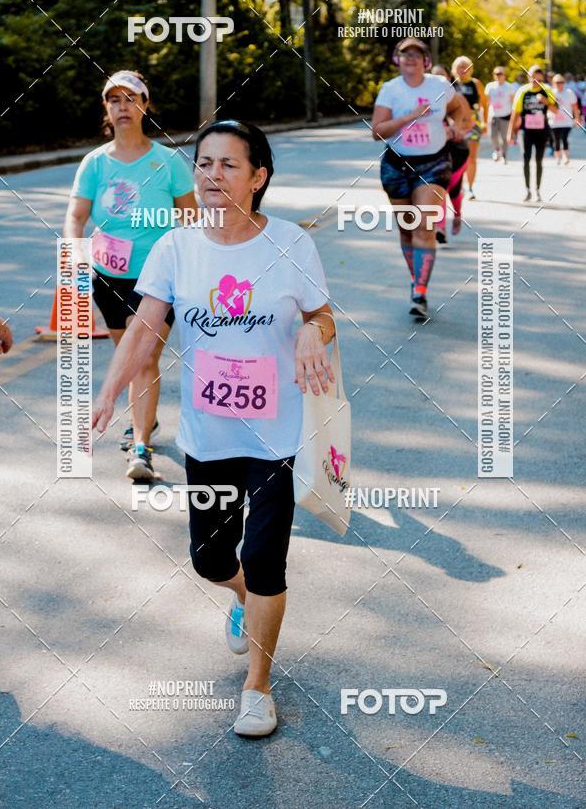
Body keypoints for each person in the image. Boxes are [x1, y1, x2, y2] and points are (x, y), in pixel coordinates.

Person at [92, 120, 336, 738]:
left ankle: (258, 687)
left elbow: (321, 316)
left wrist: (314, 331)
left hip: (276, 434)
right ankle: (241, 598)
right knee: (210, 560)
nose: (212, 176)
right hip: (209, 435)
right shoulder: (176, 248)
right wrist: (109, 391)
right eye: (203, 164)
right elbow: (146, 327)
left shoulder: (289, 245)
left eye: (229, 165)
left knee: (265, 559)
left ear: (258, 177)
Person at [64, 70, 197, 480]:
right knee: (129, 356)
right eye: (114, 100)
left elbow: (190, 217)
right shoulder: (94, 163)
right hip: (109, 275)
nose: (122, 107)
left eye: (130, 99)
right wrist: (76, 251)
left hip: (159, 279)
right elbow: (77, 214)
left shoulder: (168, 161)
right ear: (107, 108)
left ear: (145, 105)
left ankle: (140, 446)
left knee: (145, 357)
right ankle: (147, 420)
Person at [372, 39, 471, 317]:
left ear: (426, 60)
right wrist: (410, 117)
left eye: (417, 54)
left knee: (424, 226)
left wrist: (454, 125)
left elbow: (457, 109)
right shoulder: (390, 90)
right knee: (406, 230)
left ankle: (420, 292)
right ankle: (416, 280)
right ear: (397, 59)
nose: (411, 58)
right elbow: (377, 131)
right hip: (396, 165)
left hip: (433, 163)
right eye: (405, 54)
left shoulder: (439, 86)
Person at [432, 66, 470, 244]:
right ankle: (440, 228)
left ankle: (457, 215)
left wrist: (456, 130)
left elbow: (468, 122)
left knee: (453, 190)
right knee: (440, 188)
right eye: (434, 75)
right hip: (436, 152)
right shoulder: (426, 98)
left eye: (442, 75)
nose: (438, 78)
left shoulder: (457, 98)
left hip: (457, 151)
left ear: (449, 77)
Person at [507, 65, 556, 202]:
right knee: (526, 159)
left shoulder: (547, 90)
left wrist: (546, 102)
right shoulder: (522, 91)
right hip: (526, 131)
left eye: (539, 80)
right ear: (529, 77)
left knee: (539, 161)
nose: (536, 82)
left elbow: (556, 111)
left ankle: (538, 190)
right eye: (534, 79)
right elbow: (515, 113)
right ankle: (528, 190)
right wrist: (510, 133)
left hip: (542, 131)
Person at [451, 56, 488, 199]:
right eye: (460, 67)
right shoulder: (450, 84)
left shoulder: (476, 84)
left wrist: (484, 122)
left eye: (466, 67)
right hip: (454, 124)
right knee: (454, 156)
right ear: (455, 69)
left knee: (471, 156)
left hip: (473, 124)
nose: (463, 70)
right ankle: (456, 185)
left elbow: (485, 104)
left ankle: (470, 188)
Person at [485, 67, 517, 163]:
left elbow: (513, 102)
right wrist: (485, 116)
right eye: (496, 74)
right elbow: (486, 102)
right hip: (493, 115)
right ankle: (497, 150)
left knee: (504, 137)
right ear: (494, 75)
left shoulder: (509, 87)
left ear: (504, 75)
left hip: (506, 115)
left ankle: (504, 155)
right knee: (493, 136)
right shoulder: (490, 86)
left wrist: (514, 115)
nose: (499, 76)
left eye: (500, 74)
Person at [549, 74, 580, 164]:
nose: (559, 84)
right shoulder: (551, 92)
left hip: (567, 121)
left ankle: (566, 156)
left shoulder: (569, 92)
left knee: (564, 138)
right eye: (557, 82)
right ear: (553, 83)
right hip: (554, 121)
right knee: (556, 139)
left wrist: (577, 118)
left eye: (561, 82)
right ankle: (558, 156)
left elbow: (575, 106)